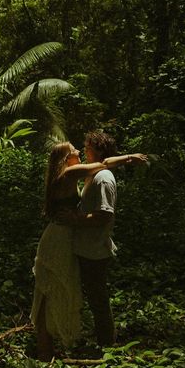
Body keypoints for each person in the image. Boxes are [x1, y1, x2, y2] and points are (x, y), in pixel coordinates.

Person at [30, 141, 147, 361]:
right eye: (74, 150)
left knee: (54, 288)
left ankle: (47, 347)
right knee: (51, 288)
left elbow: (102, 165)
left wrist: (128, 157)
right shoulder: (70, 172)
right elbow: (103, 164)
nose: (78, 152)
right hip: (59, 238)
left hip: (61, 235)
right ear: (66, 159)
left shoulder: (66, 173)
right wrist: (129, 157)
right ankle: (44, 349)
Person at [73, 131, 138, 349]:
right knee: (92, 297)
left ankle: (107, 345)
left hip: (95, 250)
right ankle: (100, 339)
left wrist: (75, 220)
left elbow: (105, 215)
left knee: (98, 299)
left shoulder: (103, 178)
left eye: (88, 147)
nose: (84, 150)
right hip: (86, 247)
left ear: (98, 150)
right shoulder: (97, 172)